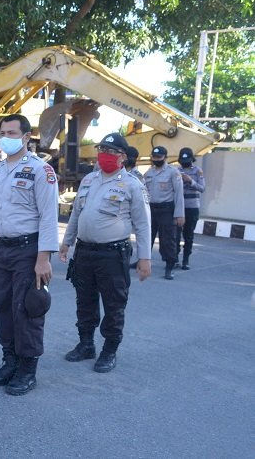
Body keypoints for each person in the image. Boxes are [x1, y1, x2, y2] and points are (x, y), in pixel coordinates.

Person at [0, 114, 58, 396]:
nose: (5, 137)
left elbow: (48, 217)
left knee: (27, 309)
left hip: (29, 250)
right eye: (2, 132)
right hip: (3, 250)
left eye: (11, 132)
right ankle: (10, 361)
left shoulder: (40, 170)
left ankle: (27, 369)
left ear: (26, 137)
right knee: (2, 306)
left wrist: (43, 259)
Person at [59, 133, 152, 373]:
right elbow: (77, 215)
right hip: (85, 252)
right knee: (85, 300)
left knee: (114, 304)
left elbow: (143, 225)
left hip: (113, 255)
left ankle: (109, 350)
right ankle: (86, 344)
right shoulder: (89, 180)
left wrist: (145, 258)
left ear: (122, 157)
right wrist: (66, 242)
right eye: (102, 149)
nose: (104, 155)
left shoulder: (132, 184)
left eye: (110, 151)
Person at [143, 146, 184, 280]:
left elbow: (179, 194)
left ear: (165, 158)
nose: (156, 160)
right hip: (151, 209)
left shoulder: (173, 172)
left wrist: (179, 214)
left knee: (167, 240)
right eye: (154, 157)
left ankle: (169, 266)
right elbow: (143, 193)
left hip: (166, 210)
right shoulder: (149, 173)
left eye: (159, 157)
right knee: (146, 237)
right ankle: (142, 261)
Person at [175, 147, 205, 270]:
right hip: (179, 207)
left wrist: (190, 181)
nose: (184, 162)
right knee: (175, 235)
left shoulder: (198, 171)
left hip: (192, 207)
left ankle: (186, 260)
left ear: (192, 159)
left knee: (188, 235)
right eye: (182, 159)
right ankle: (175, 259)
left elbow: (202, 188)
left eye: (187, 159)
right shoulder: (176, 171)